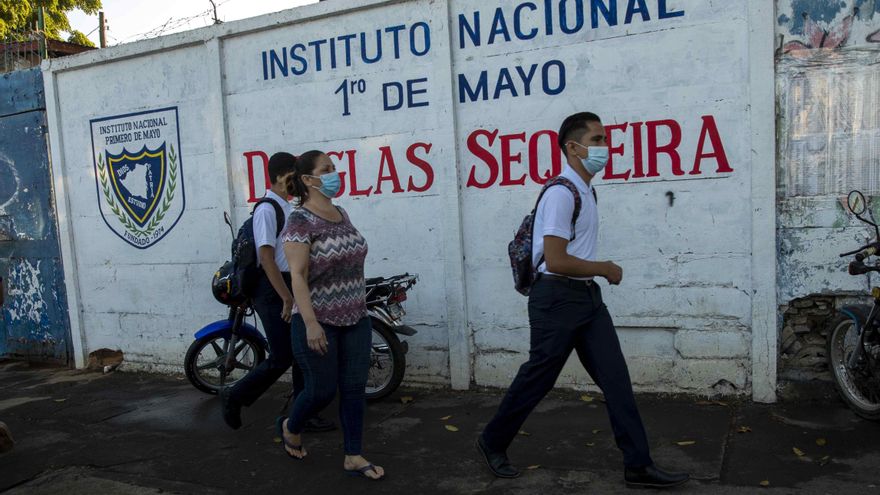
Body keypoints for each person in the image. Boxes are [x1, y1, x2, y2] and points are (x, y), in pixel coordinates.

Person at [476, 112, 690, 489]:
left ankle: (638, 465)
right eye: (597, 140)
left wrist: (596, 275)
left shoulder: (587, 189)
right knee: (537, 380)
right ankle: (492, 441)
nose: (605, 147)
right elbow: (555, 260)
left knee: (617, 380)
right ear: (572, 148)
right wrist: (604, 267)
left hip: (587, 301)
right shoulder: (561, 193)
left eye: (605, 139)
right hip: (556, 300)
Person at [276, 150, 383, 481]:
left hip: (356, 317)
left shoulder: (341, 212)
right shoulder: (299, 220)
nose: (335, 173)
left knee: (353, 389)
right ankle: (291, 426)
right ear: (309, 180)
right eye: (327, 169)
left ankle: (353, 454)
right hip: (317, 320)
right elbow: (297, 275)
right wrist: (310, 323)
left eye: (334, 168)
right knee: (321, 390)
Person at [220, 151, 335, 433]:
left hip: (287, 284)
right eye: (294, 175)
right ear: (283, 176)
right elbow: (266, 258)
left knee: (300, 352)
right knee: (283, 355)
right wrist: (285, 296)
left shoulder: (286, 207)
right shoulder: (267, 209)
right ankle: (235, 396)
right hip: (271, 288)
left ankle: (302, 415)